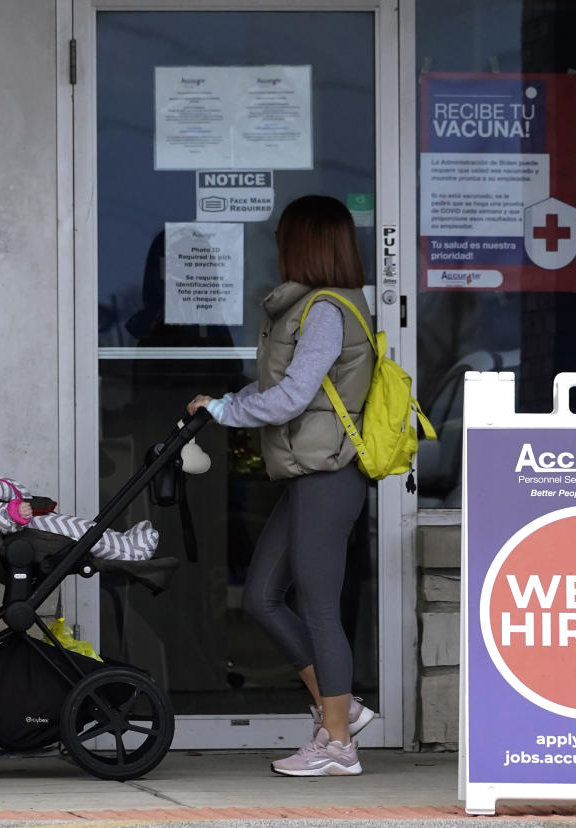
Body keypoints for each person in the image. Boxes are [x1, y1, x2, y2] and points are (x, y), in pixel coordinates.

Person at [187, 194, 376, 777]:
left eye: (283, 237)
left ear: (305, 243)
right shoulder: (308, 307)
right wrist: (222, 403)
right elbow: (284, 386)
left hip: (329, 477)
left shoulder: (326, 309)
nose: (276, 247)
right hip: (306, 475)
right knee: (263, 598)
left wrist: (224, 412)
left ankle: (338, 743)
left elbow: (293, 398)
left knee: (319, 607)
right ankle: (339, 710)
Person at [0, 451, 159, 562]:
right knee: (81, 531)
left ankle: (122, 541)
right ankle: (131, 551)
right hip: (28, 529)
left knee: (81, 527)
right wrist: (13, 514)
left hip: (32, 523)